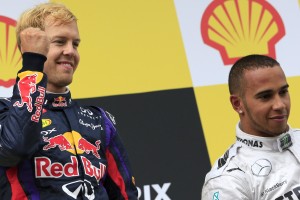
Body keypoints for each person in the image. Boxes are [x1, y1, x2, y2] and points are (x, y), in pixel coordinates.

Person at [0, 2, 138, 199]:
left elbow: (126, 194)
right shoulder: (6, 113)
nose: (71, 51)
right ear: (31, 48)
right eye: (59, 42)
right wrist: (32, 64)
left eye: (75, 44)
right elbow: (14, 147)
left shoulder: (98, 120)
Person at [201, 54, 300, 199]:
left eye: (283, 92)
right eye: (265, 96)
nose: (280, 105)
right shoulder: (227, 181)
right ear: (237, 104)